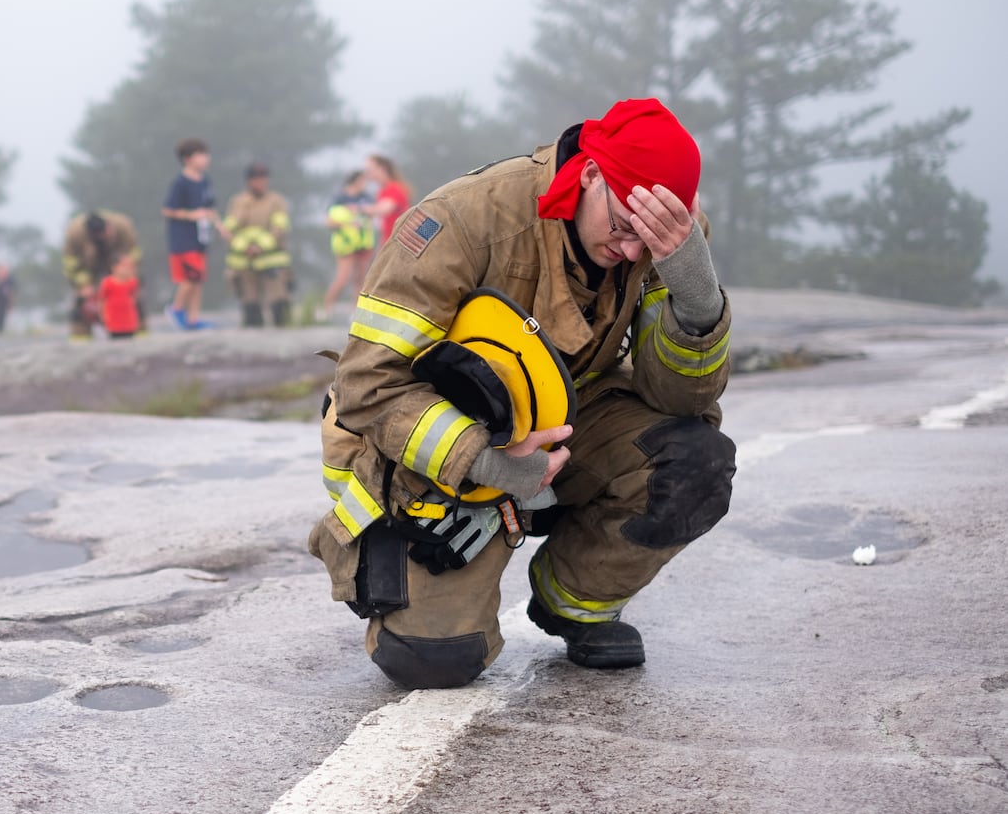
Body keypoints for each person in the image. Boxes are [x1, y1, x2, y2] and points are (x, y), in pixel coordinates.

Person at [308, 97, 736, 689]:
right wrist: (492, 465)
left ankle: (575, 600)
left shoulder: (669, 238)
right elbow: (367, 385)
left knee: (694, 459)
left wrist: (695, 293)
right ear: (589, 174)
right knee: (432, 660)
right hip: (452, 447)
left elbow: (684, 400)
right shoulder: (463, 221)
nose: (635, 253)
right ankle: (408, 561)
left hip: (568, 426)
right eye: (620, 229)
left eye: (650, 242)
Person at [161, 138, 230, 331]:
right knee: (190, 277)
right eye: (201, 155)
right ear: (187, 159)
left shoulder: (205, 181)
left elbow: (210, 208)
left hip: (201, 236)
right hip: (183, 238)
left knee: (199, 279)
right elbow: (168, 210)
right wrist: (191, 214)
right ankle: (175, 309)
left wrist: (220, 226)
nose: (206, 158)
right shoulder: (180, 183)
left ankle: (193, 319)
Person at [221, 161, 292, 328]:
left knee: (278, 300)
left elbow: (280, 227)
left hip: (270, 259)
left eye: (263, 179)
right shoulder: (238, 202)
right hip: (245, 260)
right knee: (249, 301)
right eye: (256, 179)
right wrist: (244, 247)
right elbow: (229, 229)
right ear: (249, 181)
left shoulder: (276, 201)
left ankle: (283, 330)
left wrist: (261, 247)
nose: (260, 183)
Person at [62, 210, 142, 339]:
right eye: (99, 235)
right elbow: (71, 263)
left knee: (132, 298)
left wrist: (128, 274)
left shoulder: (122, 226)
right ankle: (80, 339)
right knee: (81, 305)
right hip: (88, 266)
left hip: (119, 265)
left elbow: (134, 253)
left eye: (105, 232)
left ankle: (138, 332)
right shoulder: (75, 233)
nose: (103, 236)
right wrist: (84, 285)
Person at [320, 169, 376, 319]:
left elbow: (373, 213)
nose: (366, 184)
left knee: (360, 278)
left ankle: (356, 311)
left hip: (363, 242)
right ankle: (326, 308)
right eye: (363, 181)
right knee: (342, 278)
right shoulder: (340, 198)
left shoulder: (366, 198)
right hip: (345, 243)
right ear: (355, 181)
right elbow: (329, 221)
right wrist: (347, 223)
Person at [364, 153, 413, 241]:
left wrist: (357, 209)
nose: (366, 173)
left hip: (399, 242)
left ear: (382, 168)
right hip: (390, 240)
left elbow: (385, 209)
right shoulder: (383, 190)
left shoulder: (393, 188)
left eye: (369, 169)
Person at [97, 252, 142, 340]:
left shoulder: (133, 282)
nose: (127, 269)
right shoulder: (107, 283)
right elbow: (101, 300)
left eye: (130, 266)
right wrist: (103, 316)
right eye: (124, 266)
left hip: (129, 322)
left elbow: (135, 298)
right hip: (113, 323)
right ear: (114, 267)